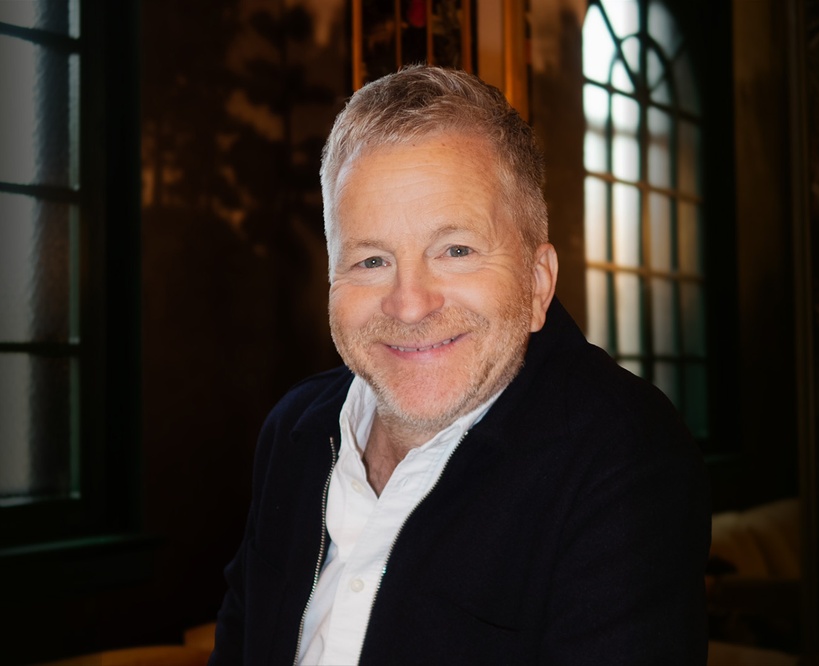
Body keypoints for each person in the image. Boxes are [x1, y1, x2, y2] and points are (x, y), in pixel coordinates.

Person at [209, 64, 710, 666]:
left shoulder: (624, 458)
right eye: (370, 260)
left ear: (537, 282)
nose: (409, 303)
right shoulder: (294, 432)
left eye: (456, 250)